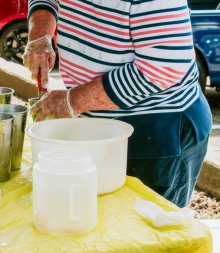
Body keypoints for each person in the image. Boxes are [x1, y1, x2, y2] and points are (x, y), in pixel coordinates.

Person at [23, 0, 212, 207]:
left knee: (147, 228)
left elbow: (162, 68)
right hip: (100, 122)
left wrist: (72, 101)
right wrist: (40, 34)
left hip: (157, 129)